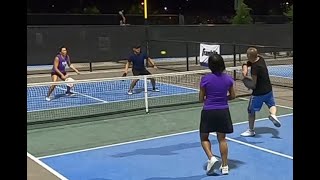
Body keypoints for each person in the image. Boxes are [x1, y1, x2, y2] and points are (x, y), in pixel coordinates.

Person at [199, 54, 236, 175]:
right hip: (223, 111)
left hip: (208, 111)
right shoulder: (229, 79)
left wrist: (209, 100)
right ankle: (225, 166)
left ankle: (211, 157)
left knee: (204, 137)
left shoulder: (205, 79)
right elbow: (233, 96)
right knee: (222, 139)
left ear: (210, 65)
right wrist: (223, 98)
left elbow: (201, 98)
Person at [241, 47, 281, 137]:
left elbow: (254, 84)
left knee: (251, 111)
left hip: (258, 93)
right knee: (271, 105)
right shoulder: (261, 59)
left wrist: (244, 79)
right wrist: (245, 66)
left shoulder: (255, 68)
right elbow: (248, 62)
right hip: (268, 90)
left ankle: (251, 130)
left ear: (249, 56)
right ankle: (273, 115)